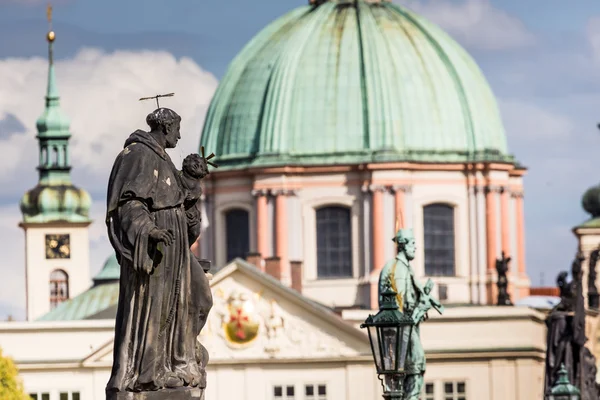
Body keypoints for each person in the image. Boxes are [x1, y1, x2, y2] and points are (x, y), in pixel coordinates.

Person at [105, 108, 210, 395]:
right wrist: (148, 231)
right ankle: (149, 373)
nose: (180, 134)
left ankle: (179, 361)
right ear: (165, 127)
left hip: (174, 248)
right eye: (177, 128)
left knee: (199, 299)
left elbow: (179, 201)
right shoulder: (139, 155)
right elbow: (128, 204)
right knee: (156, 307)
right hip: (156, 249)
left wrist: (192, 178)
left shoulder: (163, 160)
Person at [378, 228, 441, 400]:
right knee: (416, 364)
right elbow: (397, 304)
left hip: (408, 325)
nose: (416, 247)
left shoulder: (404, 268)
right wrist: (417, 310)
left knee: (415, 365)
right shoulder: (398, 269)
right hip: (403, 329)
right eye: (413, 243)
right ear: (404, 244)